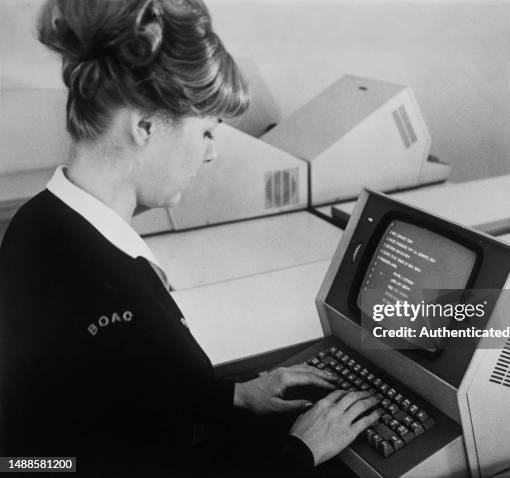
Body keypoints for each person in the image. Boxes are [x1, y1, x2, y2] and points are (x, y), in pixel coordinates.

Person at [0, 0, 381, 476]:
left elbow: (95, 412)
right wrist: (300, 450)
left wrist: (231, 394)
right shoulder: (115, 306)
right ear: (144, 126)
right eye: (206, 131)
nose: (211, 155)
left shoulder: (37, 224)